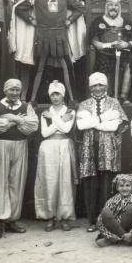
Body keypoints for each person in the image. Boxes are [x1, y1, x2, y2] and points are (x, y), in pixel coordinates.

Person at [13, 0, 86, 102]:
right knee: (39, 67)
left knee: (67, 67)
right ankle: (32, 100)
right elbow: (19, 8)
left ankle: (72, 99)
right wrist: (31, 19)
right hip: (42, 36)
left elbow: (80, 8)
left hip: (60, 36)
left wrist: (69, 20)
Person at [0, 79, 39, 239]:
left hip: (20, 145)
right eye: (11, 90)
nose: (14, 92)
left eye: (17, 90)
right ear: (5, 90)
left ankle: (11, 220)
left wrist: (10, 118)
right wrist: (17, 120)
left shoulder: (27, 107)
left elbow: (31, 126)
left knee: (16, 182)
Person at [76, 72, 128, 232]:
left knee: (107, 184)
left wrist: (92, 122)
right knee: (91, 185)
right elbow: (81, 125)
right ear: (90, 87)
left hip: (108, 150)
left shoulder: (114, 102)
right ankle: (92, 221)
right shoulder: (84, 104)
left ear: (106, 86)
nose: (98, 88)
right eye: (94, 85)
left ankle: (107, 220)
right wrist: (104, 118)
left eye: (101, 85)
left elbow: (117, 125)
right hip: (89, 149)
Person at [34, 81, 77, 232]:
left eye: (58, 94)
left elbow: (66, 129)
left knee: (64, 181)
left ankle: (64, 217)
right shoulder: (44, 113)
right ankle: (50, 217)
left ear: (63, 95)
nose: (55, 97)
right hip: (48, 147)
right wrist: (59, 120)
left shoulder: (70, 111)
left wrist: (53, 117)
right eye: (52, 94)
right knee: (49, 181)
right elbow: (45, 133)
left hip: (64, 145)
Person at [89, 0, 132, 100]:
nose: (113, 7)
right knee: (103, 64)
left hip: (123, 53)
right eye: (110, 5)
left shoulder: (126, 22)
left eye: (116, 5)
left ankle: (124, 97)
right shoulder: (98, 21)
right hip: (105, 53)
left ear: (119, 8)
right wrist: (111, 44)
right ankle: (106, 96)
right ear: (107, 7)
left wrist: (126, 44)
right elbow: (94, 41)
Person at [95, 174, 132, 247]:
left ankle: (115, 240)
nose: (124, 188)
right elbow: (99, 221)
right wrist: (109, 235)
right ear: (117, 188)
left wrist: (131, 233)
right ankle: (122, 239)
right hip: (114, 227)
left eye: (127, 185)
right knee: (105, 212)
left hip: (129, 229)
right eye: (121, 186)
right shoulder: (112, 200)